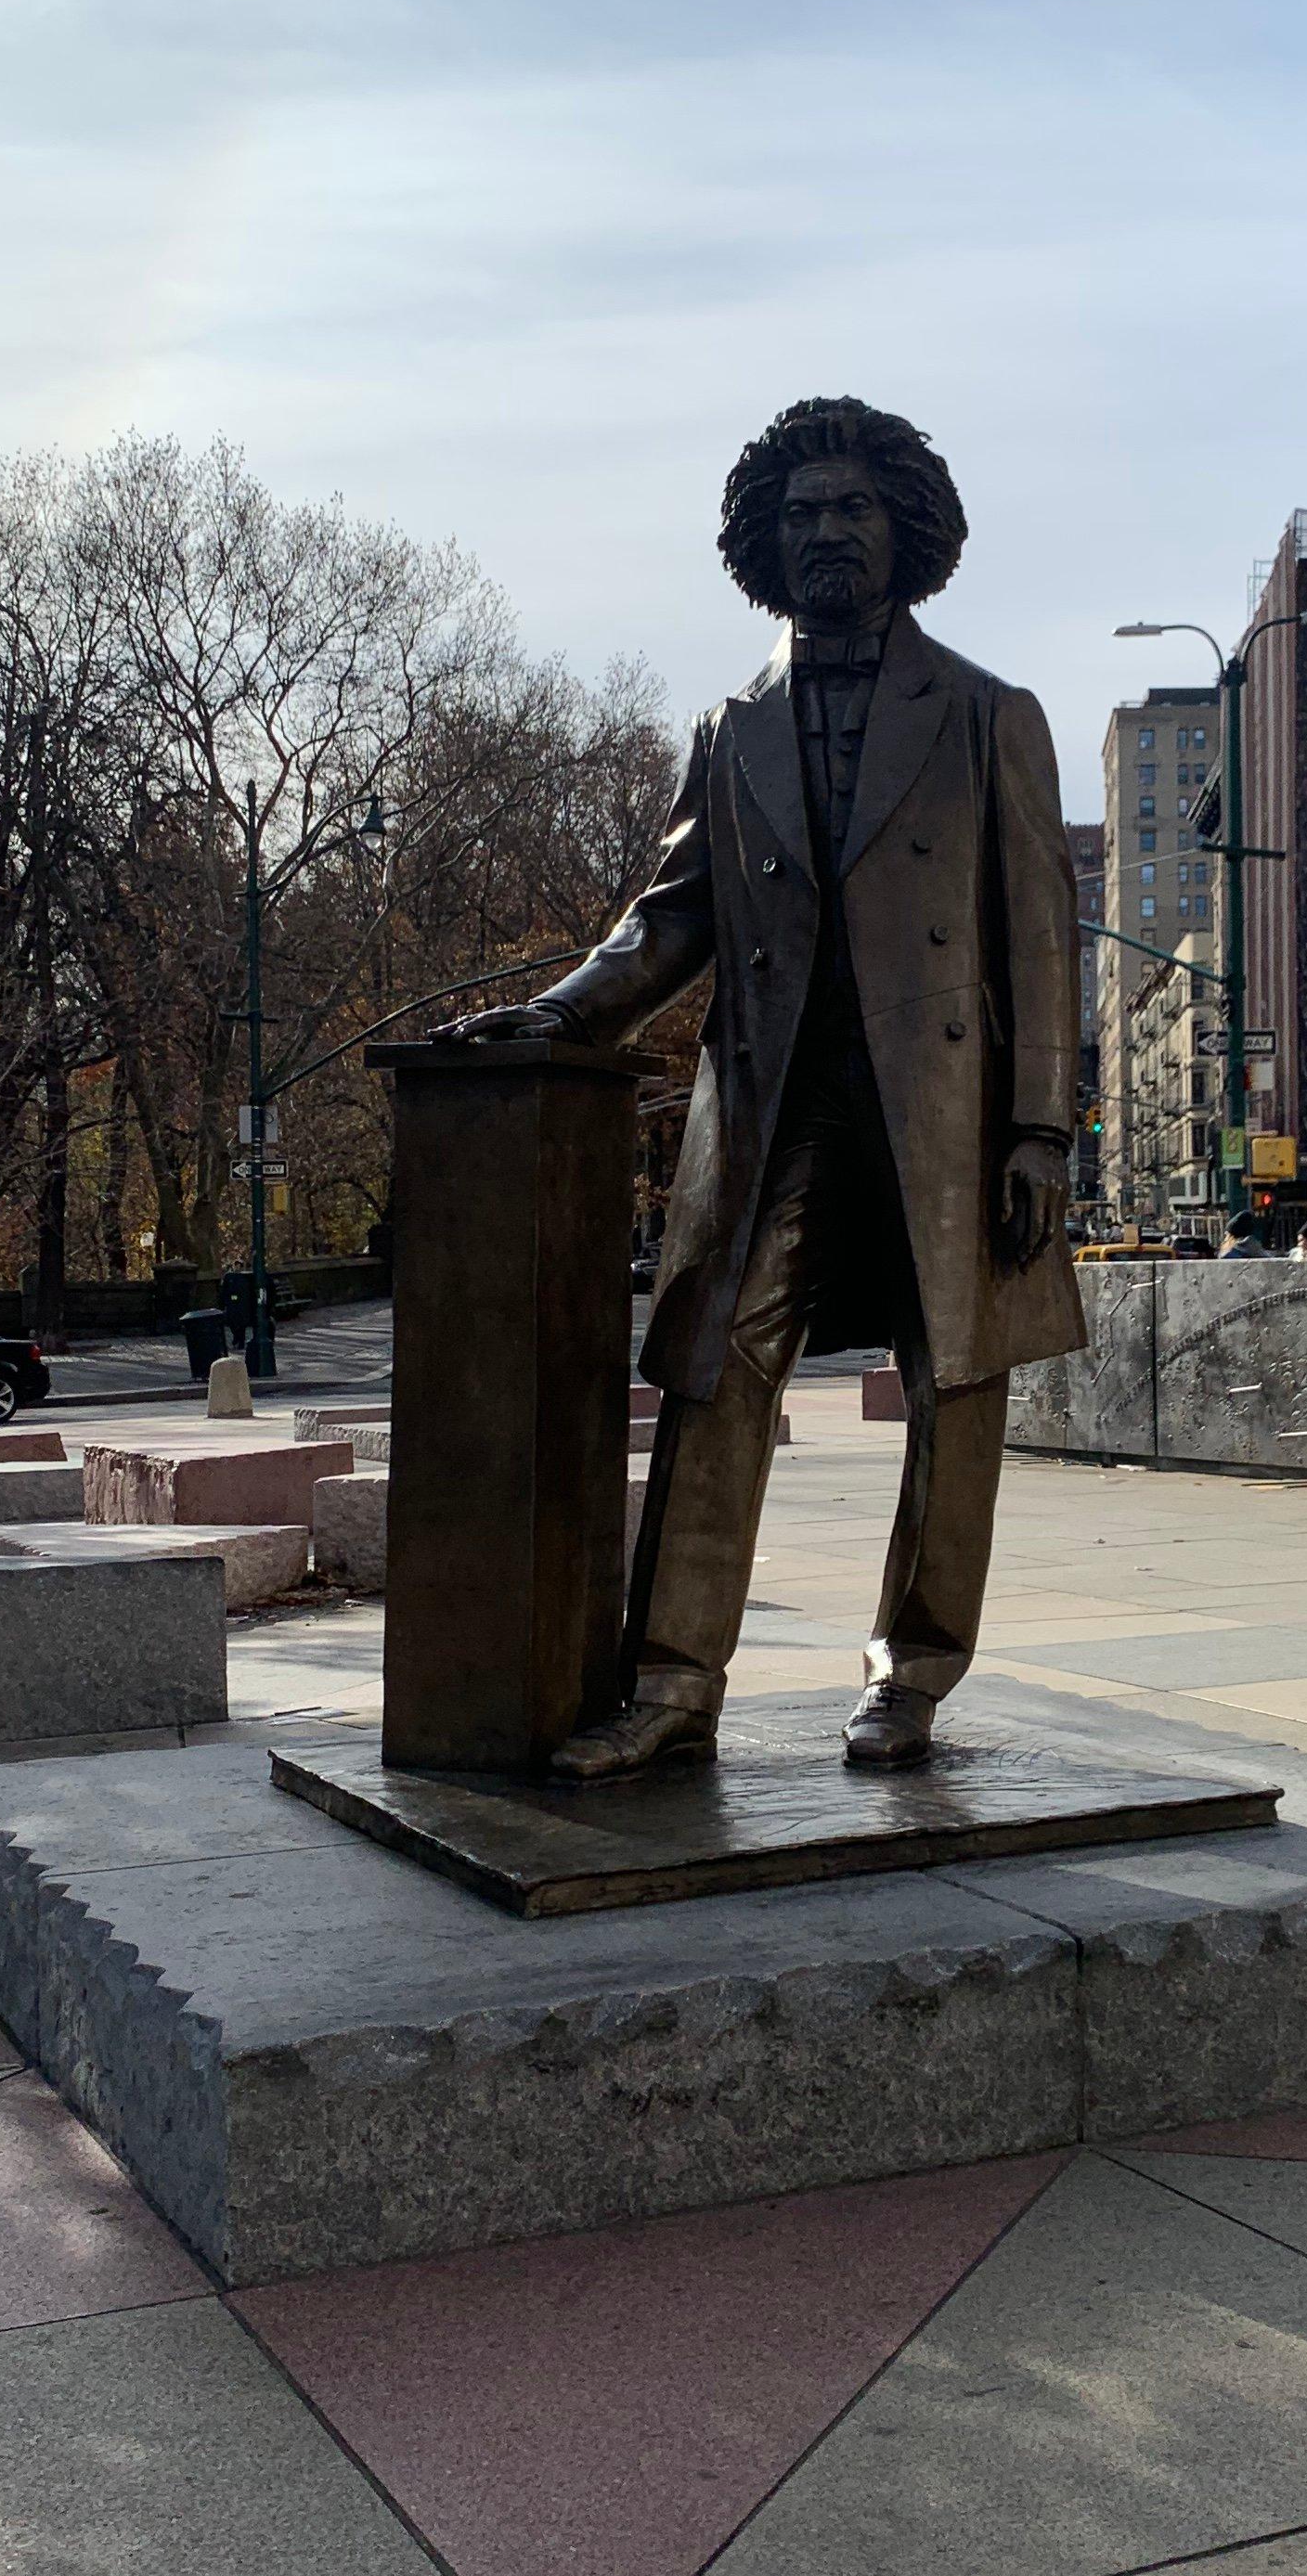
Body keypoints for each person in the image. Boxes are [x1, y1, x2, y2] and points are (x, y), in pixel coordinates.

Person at [446, 397, 1082, 1775]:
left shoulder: (985, 713)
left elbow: (1040, 938)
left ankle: (910, 1678)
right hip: (776, 1102)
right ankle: (674, 1683)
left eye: (852, 508)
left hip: (948, 1117)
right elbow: (667, 919)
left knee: (952, 1388)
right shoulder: (732, 729)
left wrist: (1041, 1130)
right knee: (713, 1372)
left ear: (904, 528)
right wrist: (554, 1012)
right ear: (761, 543)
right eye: (801, 514)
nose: (827, 534)